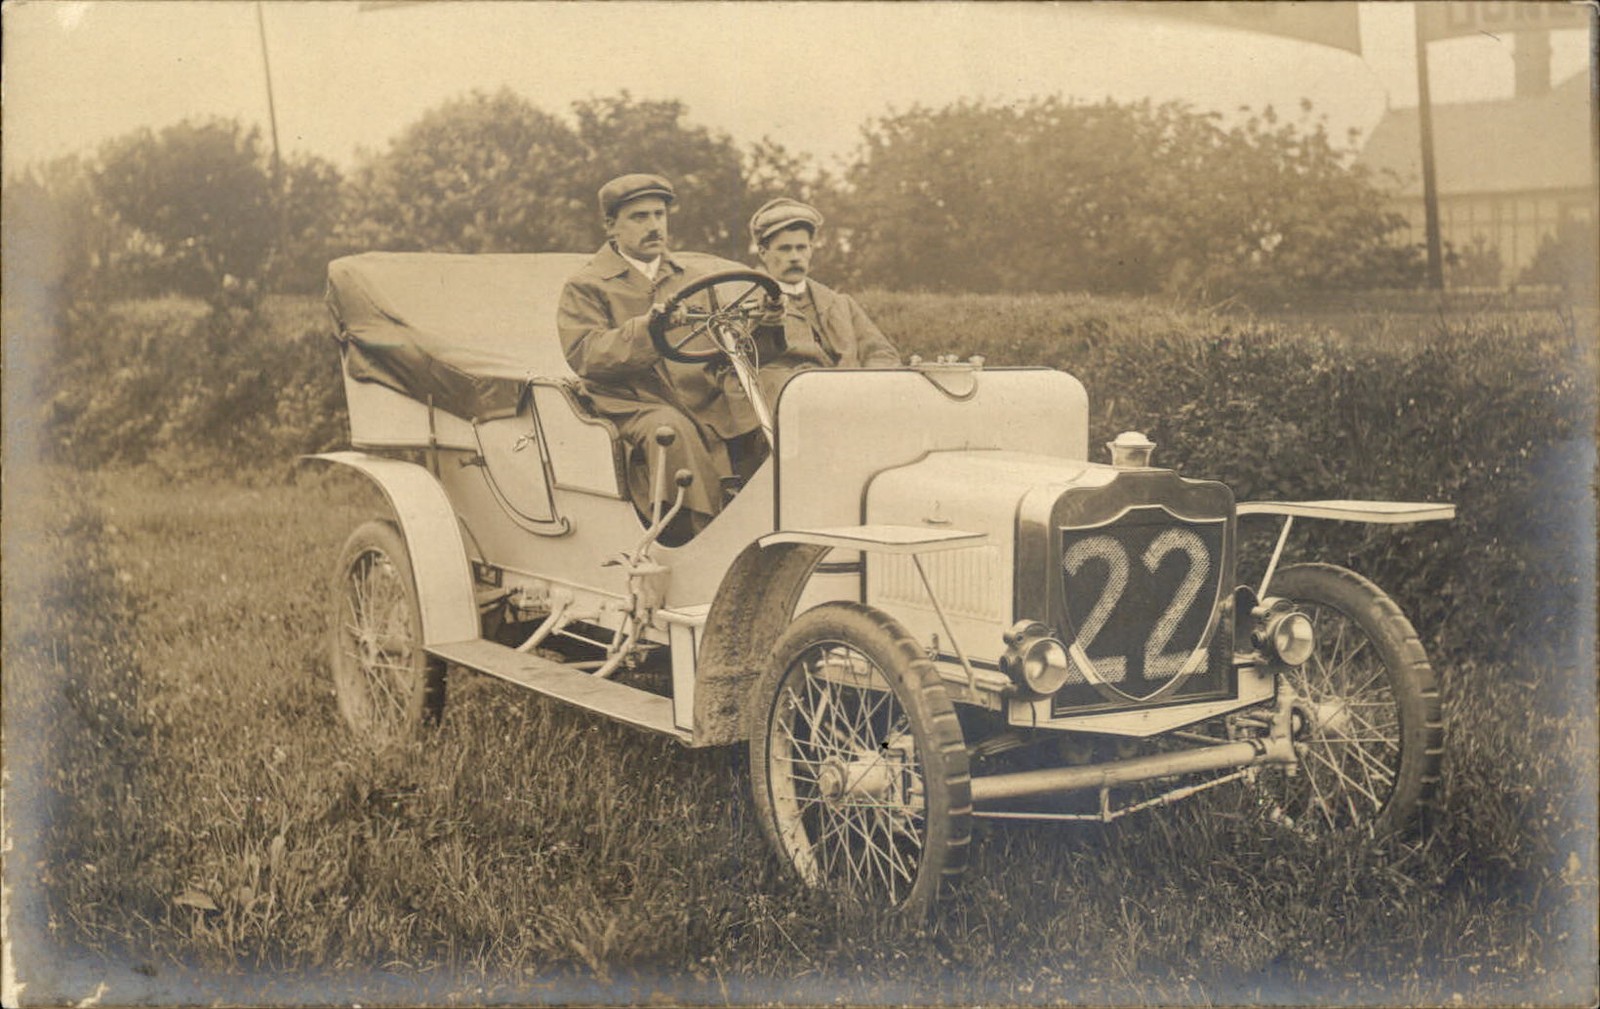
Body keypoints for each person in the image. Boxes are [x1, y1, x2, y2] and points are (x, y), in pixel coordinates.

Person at [556, 173, 760, 536]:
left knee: (764, 416)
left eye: (659, 215)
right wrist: (648, 328)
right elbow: (587, 355)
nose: (654, 226)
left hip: (701, 396)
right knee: (670, 429)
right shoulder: (586, 286)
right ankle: (703, 536)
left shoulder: (692, 278)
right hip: (632, 402)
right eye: (639, 217)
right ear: (610, 226)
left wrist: (764, 325)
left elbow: (732, 343)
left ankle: (772, 526)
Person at [746, 197, 901, 404]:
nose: (795, 257)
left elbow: (882, 353)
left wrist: (867, 388)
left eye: (801, 248)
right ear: (763, 253)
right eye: (785, 249)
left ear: (811, 249)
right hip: (792, 412)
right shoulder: (748, 306)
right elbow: (743, 368)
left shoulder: (840, 304)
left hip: (854, 403)